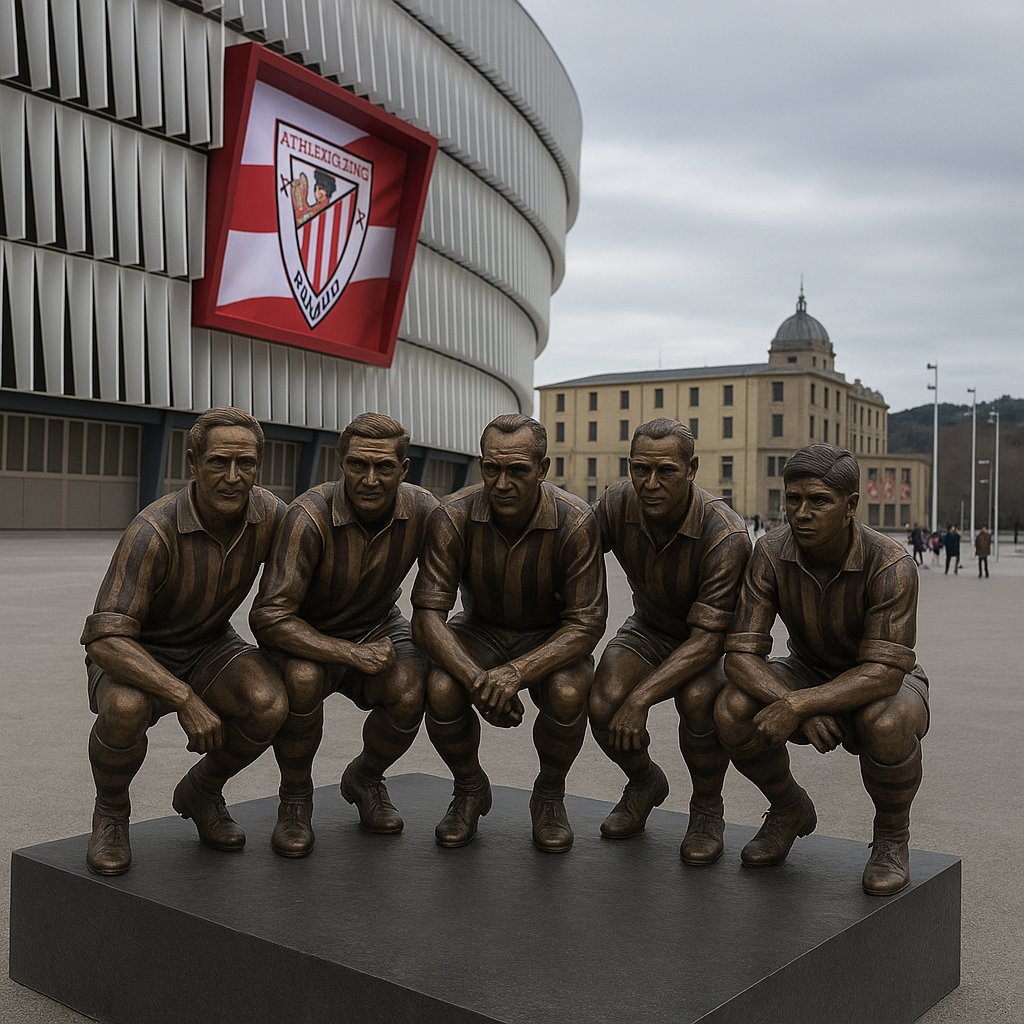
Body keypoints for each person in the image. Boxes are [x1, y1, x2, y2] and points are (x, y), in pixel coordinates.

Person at [81, 408, 288, 875]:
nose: (234, 478)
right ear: (192, 462)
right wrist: (183, 697)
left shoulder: (270, 515)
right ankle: (111, 812)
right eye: (218, 462)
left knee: (268, 702)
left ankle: (203, 789)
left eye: (247, 464)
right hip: (137, 651)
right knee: (125, 709)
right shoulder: (153, 531)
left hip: (210, 645)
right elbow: (105, 637)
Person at [715, 444, 929, 896]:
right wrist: (797, 703)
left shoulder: (890, 563)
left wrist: (798, 703)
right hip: (805, 670)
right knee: (732, 707)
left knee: (886, 722)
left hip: (881, 680)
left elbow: (884, 672)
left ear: (851, 506)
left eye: (819, 501)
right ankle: (788, 807)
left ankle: (892, 837)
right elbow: (740, 654)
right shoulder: (770, 552)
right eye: (793, 500)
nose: (802, 513)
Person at [412, 414, 607, 852]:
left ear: (543, 469)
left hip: (550, 635)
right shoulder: (453, 515)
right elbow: (427, 616)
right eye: (491, 468)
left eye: (517, 470)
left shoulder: (575, 521)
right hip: (479, 631)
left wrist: (517, 673)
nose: (501, 483)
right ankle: (468, 788)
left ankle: (550, 796)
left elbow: (587, 622)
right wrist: (479, 681)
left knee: (569, 690)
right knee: (442, 685)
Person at [249, 414, 438, 857]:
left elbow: (440, 593)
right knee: (301, 680)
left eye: (384, 468)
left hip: (377, 623)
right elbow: (270, 616)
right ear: (340, 462)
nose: (369, 480)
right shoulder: (308, 516)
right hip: (306, 631)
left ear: (404, 469)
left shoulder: (425, 510)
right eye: (357, 466)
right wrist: (348, 653)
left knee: (412, 687)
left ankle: (366, 777)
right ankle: (295, 799)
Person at [588, 420, 751, 863]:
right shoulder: (616, 503)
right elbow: (571, 549)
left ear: (692, 468)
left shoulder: (725, 534)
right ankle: (644, 782)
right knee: (603, 701)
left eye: (666, 471)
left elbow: (707, 640)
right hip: (649, 629)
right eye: (641, 469)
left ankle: (706, 809)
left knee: (701, 701)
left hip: (706, 644)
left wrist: (640, 700)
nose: (651, 483)